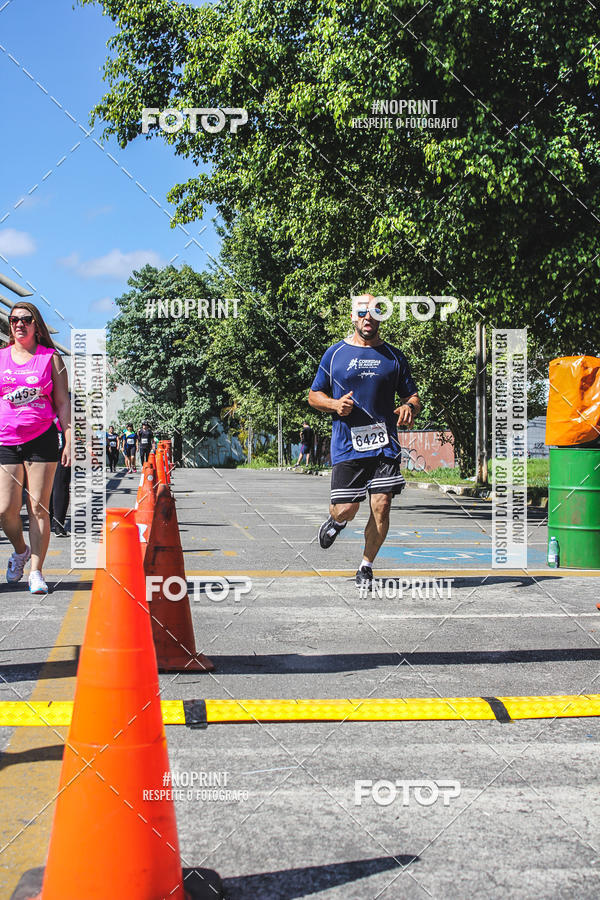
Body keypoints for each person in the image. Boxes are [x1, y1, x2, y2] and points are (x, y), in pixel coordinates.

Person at [308, 293, 421, 586]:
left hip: (385, 445)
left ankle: (366, 566)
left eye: (374, 311)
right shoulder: (335, 354)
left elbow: (412, 396)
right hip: (348, 445)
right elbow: (314, 395)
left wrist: (409, 407)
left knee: (381, 504)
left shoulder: (394, 357)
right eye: (362, 312)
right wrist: (334, 405)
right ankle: (337, 521)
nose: (367, 317)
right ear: (352, 316)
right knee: (347, 508)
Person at [0, 302, 71, 593]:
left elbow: (63, 402)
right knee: (5, 509)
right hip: (6, 439)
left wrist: (69, 438)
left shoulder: (51, 359)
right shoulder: (1, 357)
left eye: (25, 319)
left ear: (36, 324)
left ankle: (36, 572)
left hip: (42, 438)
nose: (19, 324)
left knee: (38, 508)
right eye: (14, 319)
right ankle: (21, 551)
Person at [49, 428, 71, 536]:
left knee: (60, 485)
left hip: (61, 451)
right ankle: (49, 521)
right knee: (50, 487)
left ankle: (57, 524)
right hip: (42, 452)